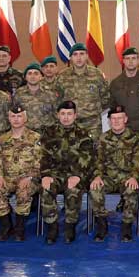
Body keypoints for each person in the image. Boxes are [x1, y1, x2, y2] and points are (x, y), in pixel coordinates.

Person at [40, 101, 95, 244]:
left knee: (73, 190)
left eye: (69, 114)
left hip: (75, 174)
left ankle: (70, 226)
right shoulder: (49, 132)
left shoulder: (83, 133)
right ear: (58, 115)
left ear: (75, 115)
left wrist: (77, 176)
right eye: (63, 114)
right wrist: (45, 175)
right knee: (46, 189)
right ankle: (52, 227)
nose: (66, 117)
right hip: (54, 173)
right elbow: (43, 156)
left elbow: (87, 158)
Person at [90, 105, 139, 242]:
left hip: (127, 178)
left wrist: (134, 177)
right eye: (113, 118)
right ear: (109, 121)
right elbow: (98, 161)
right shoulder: (103, 139)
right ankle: (102, 225)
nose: (116, 121)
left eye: (119, 118)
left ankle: (126, 227)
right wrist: (97, 176)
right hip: (108, 178)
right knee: (95, 188)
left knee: (132, 189)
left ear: (125, 119)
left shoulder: (134, 138)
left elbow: (138, 160)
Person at [0, 104, 42, 242]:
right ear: (8, 118)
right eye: (13, 116)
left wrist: (30, 177)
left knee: (23, 191)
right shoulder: (2, 138)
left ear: (25, 118)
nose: (16, 119)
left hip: (29, 178)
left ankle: (19, 228)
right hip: (7, 178)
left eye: (19, 116)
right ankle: (6, 226)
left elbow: (40, 162)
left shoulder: (35, 137)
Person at [54, 42, 111, 137]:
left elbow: (105, 99)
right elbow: (58, 101)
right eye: (75, 54)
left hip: (93, 126)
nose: (79, 57)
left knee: (93, 151)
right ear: (71, 58)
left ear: (87, 56)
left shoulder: (97, 75)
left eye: (82, 54)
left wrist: (105, 125)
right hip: (70, 125)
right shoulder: (62, 76)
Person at [13, 62, 60, 132]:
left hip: (47, 133)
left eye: (36, 73)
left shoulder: (50, 93)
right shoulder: (19, 94)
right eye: (29, 73)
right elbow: (14, 115)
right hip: (27, 133)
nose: (32, 76)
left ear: (41, 77)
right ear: (25, 77)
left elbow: (57, 115)